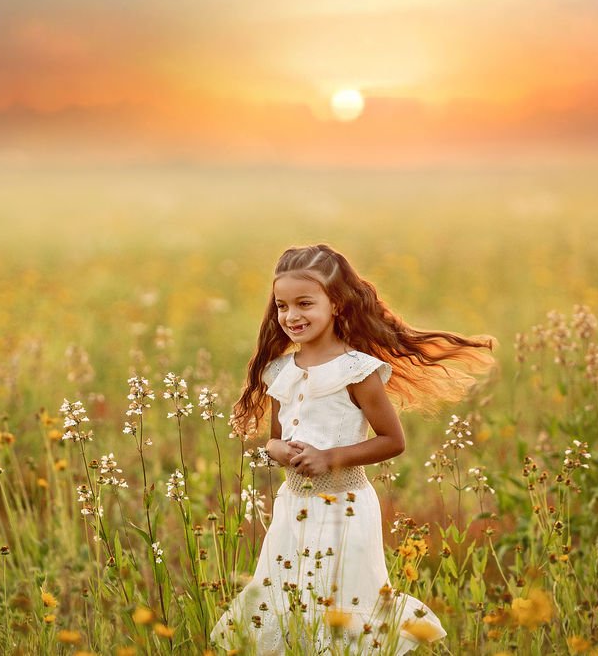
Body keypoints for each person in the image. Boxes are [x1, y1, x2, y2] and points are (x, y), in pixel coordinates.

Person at [210, 244, 496, 654]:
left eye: (305, 303)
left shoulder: (356, 370)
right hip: (292, 506)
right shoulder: (279, 371)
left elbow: (392, 441)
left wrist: (330, 457)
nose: (291, 316)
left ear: (337, 304)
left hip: (344, 505)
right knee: (289, 597)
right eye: (282, 306)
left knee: (341, 603)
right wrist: (277, 449)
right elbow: (275, 437)